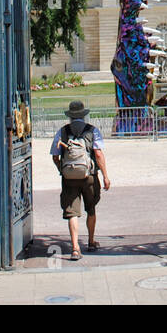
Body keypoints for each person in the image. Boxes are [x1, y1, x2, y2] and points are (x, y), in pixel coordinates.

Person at [50, 100, 111, 261]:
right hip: (89, 175)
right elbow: (98, 154)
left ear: (70, 116)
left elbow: (55, 155)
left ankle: (75, 247)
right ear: (83, 115)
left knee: (72, 212)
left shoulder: (62, 131)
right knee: (91, 209)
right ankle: (91, 241)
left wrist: (61, 169)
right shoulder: (92, 131)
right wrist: (105, 175)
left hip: (69, 177)